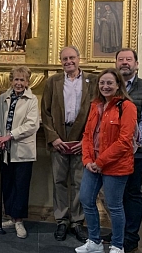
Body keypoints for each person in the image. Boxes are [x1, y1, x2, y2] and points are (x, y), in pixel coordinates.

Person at [102, 48, 142, 253]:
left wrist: (128, 145)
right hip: (112, 152)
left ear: (136, 64)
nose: (125, 63)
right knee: (115, 196)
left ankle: (130, 237)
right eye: (121, 60)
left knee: (131, 194)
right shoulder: (110, 86)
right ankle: (118, 232)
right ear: (116, 63)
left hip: (135, 152)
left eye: (129, 60)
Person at [76, 68, 137, 253]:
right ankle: (94, 242)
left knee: (114, 206)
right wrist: (87, 160)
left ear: (118, 85)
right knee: (86, 199)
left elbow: (124, 140)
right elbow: (87, 134)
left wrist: (100, 161)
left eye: (110, 83)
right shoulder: (96, 105)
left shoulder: (127, 107)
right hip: (92, 164)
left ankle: (117, 245)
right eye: (102, 83)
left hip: (115, 165)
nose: (105, 86)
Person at [41, 46, 97, 242]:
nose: (68, 62)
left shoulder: (93, 81)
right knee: (59, 181)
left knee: (80, 182)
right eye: (64, 59)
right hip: (59, 137)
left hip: (82, 137)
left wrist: (87, 140)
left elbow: (97, 112)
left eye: (72, 58)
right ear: (61, 61)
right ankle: (62, 221)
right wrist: (54, 138)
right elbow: (45, 112)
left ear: (79, 59)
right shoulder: (53, 82)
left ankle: (77, 222)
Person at [0, 66, 39, 239]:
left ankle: (19, 220)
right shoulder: (3, 98)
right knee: (8, 185)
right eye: (16, 79)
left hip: (22, 151)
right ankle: (11, 216)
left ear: (27, 82)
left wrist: (10, 136)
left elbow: (32, 124)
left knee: (21, 186)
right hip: (4, 151)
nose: (18, 83)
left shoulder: (32, 100)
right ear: (11, 81)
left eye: (22, 80)